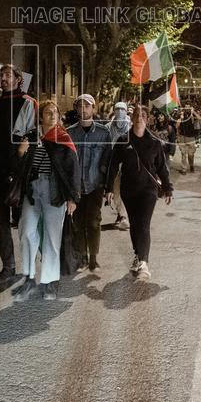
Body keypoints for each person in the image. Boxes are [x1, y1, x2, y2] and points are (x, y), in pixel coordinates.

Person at [12, 101, 80, 300]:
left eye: (55, 112)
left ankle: (50, 282)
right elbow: (17, 165)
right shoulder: (32, 136)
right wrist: (21, 152)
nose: (52, 115)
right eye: (48, 112)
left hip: (54, 191)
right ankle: (29, 278)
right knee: (26, 233)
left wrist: (72, 197)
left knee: (52, 238)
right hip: (32, 190)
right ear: (40, 117)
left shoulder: (63, 137)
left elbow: (72, 169)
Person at [0, 64, 37, 288]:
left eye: (8, 75)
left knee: (25, 222)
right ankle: (8, 268)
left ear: (18, 79)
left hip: (20, 172)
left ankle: (30, 267)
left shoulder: (28, 102)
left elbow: (35, 135)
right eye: (2, 75)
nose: (4, 79)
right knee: (1, 222)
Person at [106, 104, 171, 281]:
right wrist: (109, 188)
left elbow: (162, 168)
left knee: (143, 224)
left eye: (143, 114)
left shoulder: (155, 142)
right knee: (135, 225)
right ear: (132, 118)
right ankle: (137, 255)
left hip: (148, 191)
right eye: (136, 114)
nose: (139, 117)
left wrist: (167, 188)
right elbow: (113, 166)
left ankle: (143, 262)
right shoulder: (122, 140)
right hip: (129, 190)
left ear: (148, 118)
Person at [66, 94, 111, 272]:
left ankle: (93, 256)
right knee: (77, 222)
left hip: (95, 185)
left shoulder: (103, 133)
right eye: (80, 106)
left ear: (93, 109)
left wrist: (107, 187)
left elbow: (108, 161)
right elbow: (66, 162)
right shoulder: (70, 132)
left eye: (87, 106)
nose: (83, 109)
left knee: (93, 221)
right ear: (76, 109)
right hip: (76, 186)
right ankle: (82, 257)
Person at [108, 101, 131, 230]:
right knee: (116, 191)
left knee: (127, 191)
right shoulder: (109, 127)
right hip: (114, 164)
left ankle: (125, 215)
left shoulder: (132, 125)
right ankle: (121, 214)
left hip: (128, 165)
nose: (120, 112)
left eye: (122, 109)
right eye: (117, 109)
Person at [176, 106, 200, 173]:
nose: (187, 108)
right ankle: (184, 169)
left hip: (191, 137)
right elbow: (177, 126)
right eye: (186, 107)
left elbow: (199, 118)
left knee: (191, 154)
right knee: (183, 154)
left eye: (188, 107)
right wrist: (180, 118)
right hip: (182, 137)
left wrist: (193, 112)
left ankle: (191, 165)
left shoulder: (192, 116)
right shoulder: (181, 115)